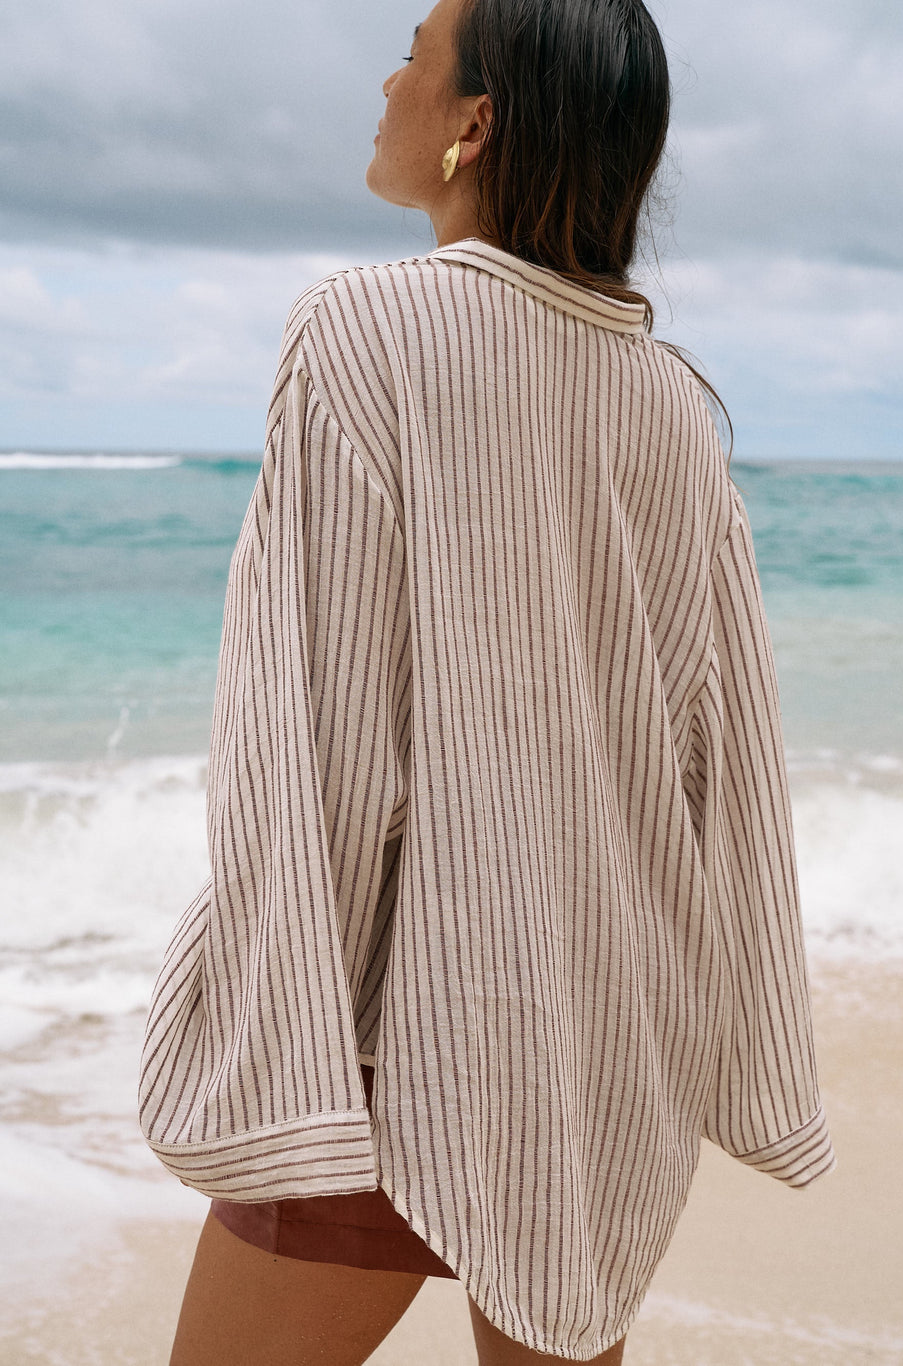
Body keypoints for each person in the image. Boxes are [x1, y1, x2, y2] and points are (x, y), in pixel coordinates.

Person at [140, 0, 835, 1362]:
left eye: (414, 49)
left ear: (475, 123)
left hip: (403, 1036)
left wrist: (275, 1043)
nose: (387, 77)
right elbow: (728, 763)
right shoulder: (674, 404)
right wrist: (745, 1045)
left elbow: (316, 732)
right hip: (601, 1038)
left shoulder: (363, 329)